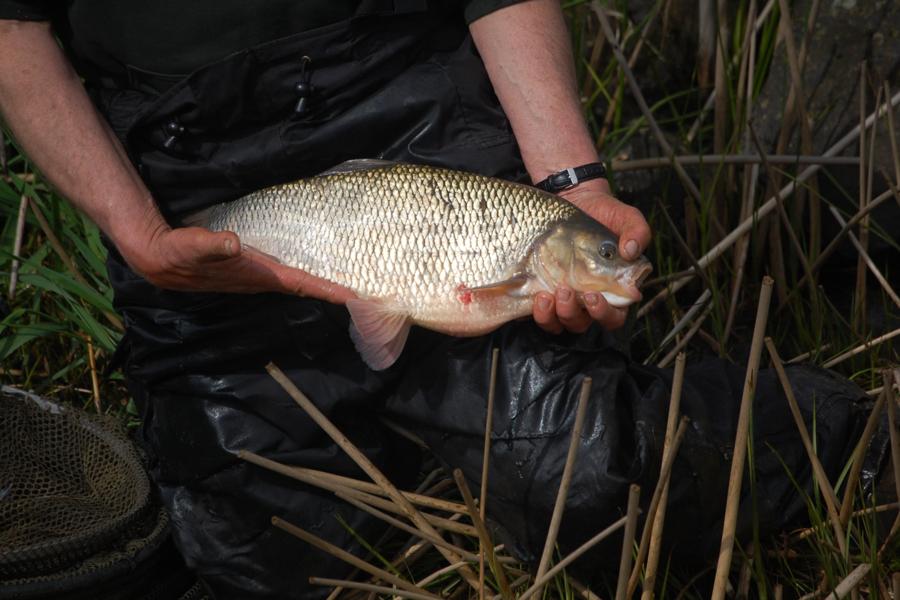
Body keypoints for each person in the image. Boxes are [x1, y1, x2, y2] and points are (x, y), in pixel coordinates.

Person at [0, 2, 884, 598]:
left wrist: (569, 181)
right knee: (243, 559)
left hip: (414, 116)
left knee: (596, 473)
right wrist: (139, 234)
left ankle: (864, 437)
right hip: (185, 161)